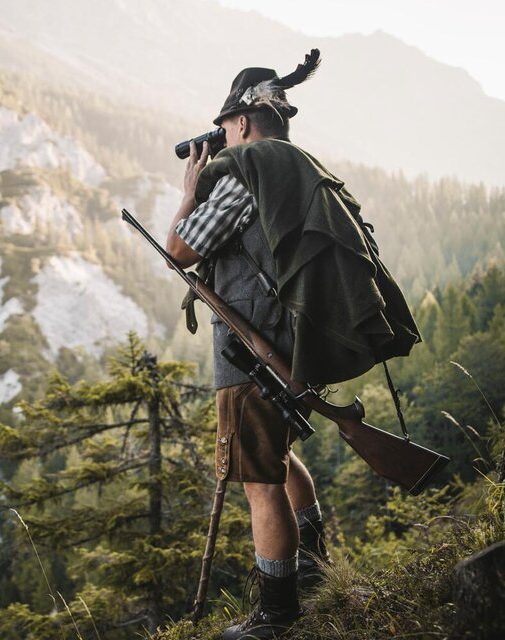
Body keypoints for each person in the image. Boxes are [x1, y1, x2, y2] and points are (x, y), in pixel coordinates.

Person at [166, 50, 419, 639]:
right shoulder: (299, 167)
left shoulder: (244, 170)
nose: (222, 140)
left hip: (250, 347)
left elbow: (179, 249)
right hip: (295, 342)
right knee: (277, 457)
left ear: (242, 122)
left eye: (225, 128)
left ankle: (277, 613)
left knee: (258, 479)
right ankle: (311, 564)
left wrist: (189, 191)